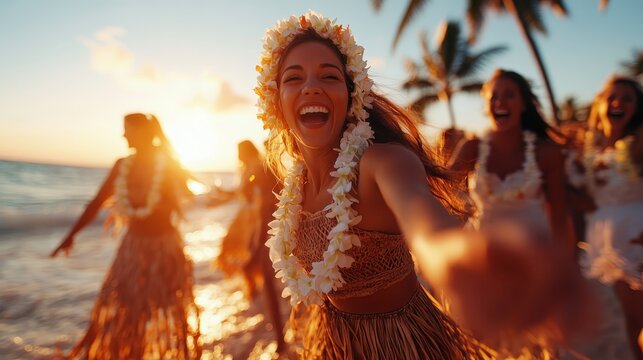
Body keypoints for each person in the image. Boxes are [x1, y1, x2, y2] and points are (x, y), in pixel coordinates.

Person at [256, 12, 494, 359]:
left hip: (405, 344)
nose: (311, 86)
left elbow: (422, 217)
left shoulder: (381, 163)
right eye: (294, 78)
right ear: (275, 101)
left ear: (352, 95)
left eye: (329, 75)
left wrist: (451, 255)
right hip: (335, 345)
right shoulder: (295, 186)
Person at [447, 69, 587, 356]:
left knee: (538, 345)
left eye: (509, 94)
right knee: (480, 342)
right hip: (484, 260)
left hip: (535, 260)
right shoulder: (471, 148)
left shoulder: (547, 153)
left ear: (523, 103)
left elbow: (559, 217)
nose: (500, 101)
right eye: (493, 96)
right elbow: (438, 190)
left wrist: (566, 270)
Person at [50, 113, 201, 359]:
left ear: (142, 133)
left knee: (172, 309)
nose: (123, 135)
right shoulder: (122, 165)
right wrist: (71, 235)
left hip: (165, 249)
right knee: (125, 310)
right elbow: (97, 201)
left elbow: (189, 189)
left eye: (127, 130)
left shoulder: (167, 164)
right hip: (132, 249)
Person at [569, 76, 643, 357]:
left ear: (637, 108)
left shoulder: (639, 143)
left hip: (638, 235)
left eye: (627, 99)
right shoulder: (588, 149)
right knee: (630, 323)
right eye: (612, 97)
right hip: (607, 242)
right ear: (599, 104)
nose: (618, 103)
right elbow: (587, 201)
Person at [214, 140, 287, 352]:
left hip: (269, 227)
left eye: (239, 152)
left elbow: (265, 192)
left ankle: (281, 339)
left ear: (245, 152)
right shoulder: (256, 167)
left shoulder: (258, 167)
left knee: (267, 277)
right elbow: (247, 192)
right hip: (265, 225)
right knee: (262, 274)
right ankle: (273, 324)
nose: (237, 157)